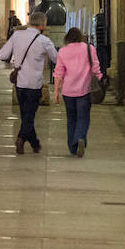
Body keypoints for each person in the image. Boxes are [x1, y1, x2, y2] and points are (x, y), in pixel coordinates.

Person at [0, 11, 58, 154]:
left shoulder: (17, 35)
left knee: (26, 115)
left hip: (20, 84)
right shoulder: (44, 41)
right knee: (29, 116)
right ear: (42, 24)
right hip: (34, 84)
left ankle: (35, 144)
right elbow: (56, 59)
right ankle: (21, 139)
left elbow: (1, 55)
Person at [53, 27, 103, 157]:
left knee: (71, 119)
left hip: (68, 91)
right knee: (83, 117)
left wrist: (55, 93)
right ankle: (80, 137)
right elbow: (95, 67)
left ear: (67, 38)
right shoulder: (89, 49)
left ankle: (72, 147)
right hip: (85, 90)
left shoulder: (63, 51)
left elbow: (58, 73)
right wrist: (100, 79)